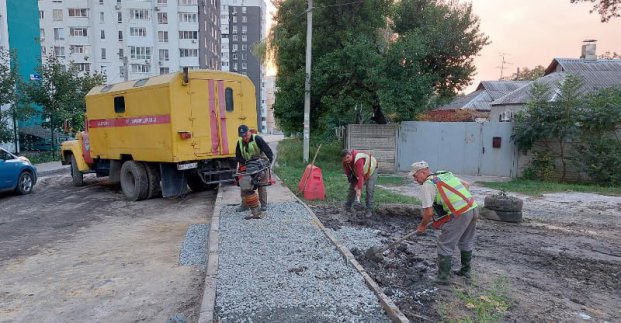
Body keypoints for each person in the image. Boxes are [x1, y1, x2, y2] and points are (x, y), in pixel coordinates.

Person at [410, 161, 478, 285]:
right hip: (472, 207)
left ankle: (442, 278)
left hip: (461, 213)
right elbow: (466, 185)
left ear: (423, 172)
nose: (415, 180)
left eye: (415, 176)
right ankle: (465, 271)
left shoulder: (428, 185)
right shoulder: (444, 174)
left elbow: (428, 213)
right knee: (466, 240)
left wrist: (422, 226)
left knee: (445, 243)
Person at [235, 124, 274, 218]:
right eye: (242, 136)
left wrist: (269, 163)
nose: (245, 137)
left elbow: (268, 151)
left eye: (246, 135)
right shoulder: (240, 142)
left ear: (249, 132)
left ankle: (263, 205)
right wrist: (244, 164)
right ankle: (245, 205)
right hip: (248, 165)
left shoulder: (257, 139)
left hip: (260, 163)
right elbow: (238, 156)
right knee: (244, 185)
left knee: (261, 184)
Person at [341, 149, 378, 217]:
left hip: (371, 169)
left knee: (369, 189)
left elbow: (361, 176)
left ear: (351, 155)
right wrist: (355, 185)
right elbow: (350, 175)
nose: (347, 160)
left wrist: (359, 189)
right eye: (345, 159)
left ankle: (369, 210)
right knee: (352, 188)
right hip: (359, 171)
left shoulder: (358, 160)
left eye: (348, 157)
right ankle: (348, 207)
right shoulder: (345, 162)